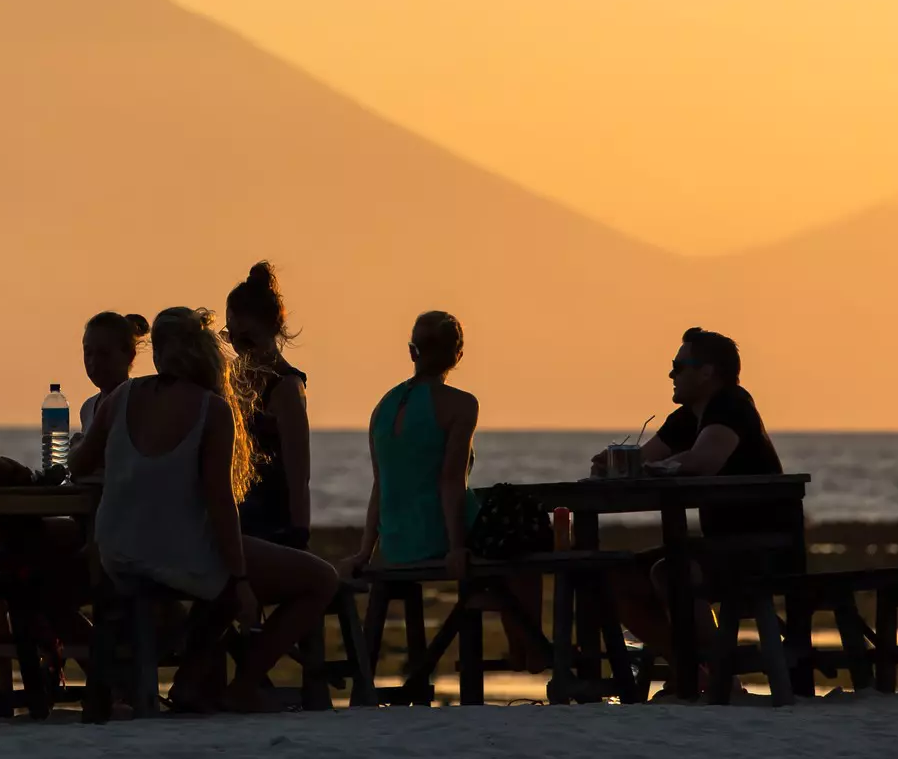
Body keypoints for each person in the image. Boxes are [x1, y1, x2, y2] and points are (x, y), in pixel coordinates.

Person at [68, 306, 338, 713]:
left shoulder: (121, 397)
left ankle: (192, 678)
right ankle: (243, 684)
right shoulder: (212, 409)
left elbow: (79, 464)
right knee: (320, 578)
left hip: (118, 551)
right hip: (176, 556)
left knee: (217, 577)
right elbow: (220, 503)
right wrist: (242, 577)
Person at [345, 311, 546, 673]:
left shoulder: (382, 408)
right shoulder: (461, 404)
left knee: (509, 540)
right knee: (525, 538)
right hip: (437, 537)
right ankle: (530, 649)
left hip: (396, 543)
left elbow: (382, 484)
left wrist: (366, 550)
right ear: (458, 355)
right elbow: (450, 481)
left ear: (412, 352)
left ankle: (518, 638)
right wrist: (456, 547)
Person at [601, 327, 804, 669]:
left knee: (671, 572)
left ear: (707, 371)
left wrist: (656, 466)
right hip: (722, 548)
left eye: (678, 366)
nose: (671, 374)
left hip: (763, 549)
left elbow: (704, 460)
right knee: (618, 577)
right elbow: (644, 459)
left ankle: (714, 672)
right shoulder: (687, 418)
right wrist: (611, 464)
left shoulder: (731, 405)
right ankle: (691, 670)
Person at [223, 262, 311, 548]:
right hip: (233, 521)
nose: (239, 347)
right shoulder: (228, 381)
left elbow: (299, 476)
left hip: (272, 526)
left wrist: (299, 534)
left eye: (247, 338)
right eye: (231, 336)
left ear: (273, 328)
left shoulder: (286, 388)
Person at [79, 311, 150, 434]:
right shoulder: (88, 408)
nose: (93, 361)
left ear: (129, 354)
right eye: (88, 353)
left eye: (104, 353)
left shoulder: (139, 401)